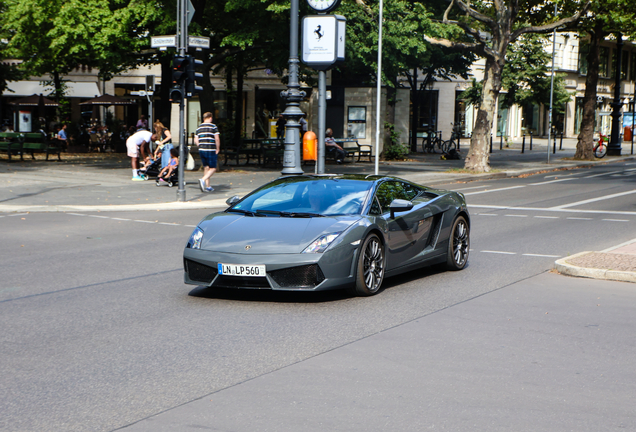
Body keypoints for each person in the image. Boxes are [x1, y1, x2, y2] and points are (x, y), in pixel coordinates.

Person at [195, 112, 220, 193]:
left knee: (206, 167)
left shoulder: (199, 128)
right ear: (210, 118)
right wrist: (218, 148)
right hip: (210, 149)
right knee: (213, 168)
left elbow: (196, 140)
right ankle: (203, 180)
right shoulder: (213, 126)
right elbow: (217, 138)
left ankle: (207, 186)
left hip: (202, 149)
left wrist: (200, 146)